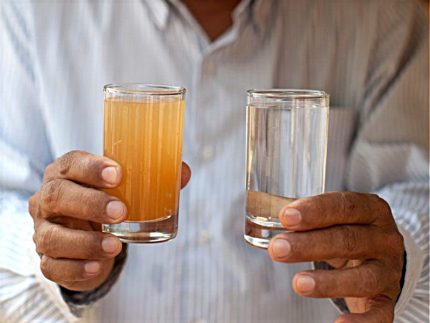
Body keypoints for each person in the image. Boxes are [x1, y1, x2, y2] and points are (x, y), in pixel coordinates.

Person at [0, 0, 428, 322]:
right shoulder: (29, 12)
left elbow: (417, 188)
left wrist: (396, 260)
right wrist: (60, 256)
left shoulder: (383, 17)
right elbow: (7, 201)